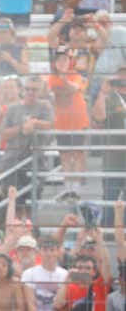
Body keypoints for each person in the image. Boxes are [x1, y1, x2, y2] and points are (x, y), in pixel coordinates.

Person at [48, 46, 90, 201]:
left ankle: (76, 189)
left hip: (78, 121)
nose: (61, 62)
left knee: (77, 155)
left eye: (65, 59)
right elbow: (52, 91)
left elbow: (75, 88)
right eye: (59, 59)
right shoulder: (52, 77)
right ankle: (68, 188)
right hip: (62, 123)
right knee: (65, 156)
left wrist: (64, 79)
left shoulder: (75, 75)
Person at [0, 76, 53, 191]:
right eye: (27, 89)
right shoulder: (12, 108)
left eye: (34, 89)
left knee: (31, 204)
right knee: (13, 203)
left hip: (36, 161)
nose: (30, 92)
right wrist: (21, 128)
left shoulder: (45, 106)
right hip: (12, 161)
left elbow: (51, 125)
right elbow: (3, 133)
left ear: (41, 91)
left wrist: (35, 123)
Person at [92, 65, 126, 225]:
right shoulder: (109, 98)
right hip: (114, 160)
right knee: (110, 198)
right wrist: (103, 92)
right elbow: (99, 119)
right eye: (120, 77)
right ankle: (105, 235)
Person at [22, 236, 69, 311]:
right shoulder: (28, 273)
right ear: (39, 252)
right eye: (45, 250)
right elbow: (31, 304)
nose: (49, 253)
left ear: (58, 252)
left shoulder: (65, 275)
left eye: (52, 250)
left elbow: (61, 305)